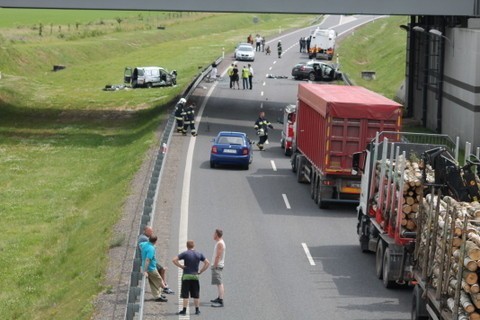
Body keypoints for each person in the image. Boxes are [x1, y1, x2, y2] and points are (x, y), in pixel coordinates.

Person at [172, 240, 210, 316]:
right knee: (196, 294)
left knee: (185, 294)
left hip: (186, 276)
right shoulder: (199, 254)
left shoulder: (185, 253)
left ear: (187, 246)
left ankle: (184, 310)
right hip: (195, 276)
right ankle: (197, 310)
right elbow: (207, 263)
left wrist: (181, 266)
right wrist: (201, 271)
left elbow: (174, 260)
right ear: (194, 245)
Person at [138, 226, 174, 295]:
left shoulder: (144, 240)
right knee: (160, 273)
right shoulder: (147, 242)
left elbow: (141, 246)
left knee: (157, 274)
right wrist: (145, 270)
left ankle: (160, 291)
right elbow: (148, 258)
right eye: (150, 231)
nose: (151, 232)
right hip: (149, 264)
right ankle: (165, 288)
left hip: (148, 262)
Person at [140, 235, 168, 302]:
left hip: (146, 266)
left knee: (152, 282)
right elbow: (148, 260)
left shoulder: (144, 244)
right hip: (151, 268)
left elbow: (140, 245)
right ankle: (164, 289)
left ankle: (157, 296)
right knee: (159, 279)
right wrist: (145, 271)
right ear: (155, 241)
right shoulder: (151, 249)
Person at [210, 229, 226, 308]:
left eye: (214, 233)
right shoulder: (219, 242)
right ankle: (219, 297)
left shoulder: (220, 243)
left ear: (216, 234)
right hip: (217, 265)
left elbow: (218, 256)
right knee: (218, 283)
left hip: (217, 265)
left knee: (219, 283)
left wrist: (215, 265)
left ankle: (221, 300)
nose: (213, 235)